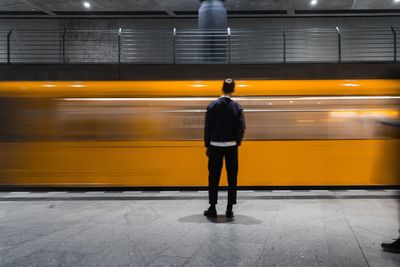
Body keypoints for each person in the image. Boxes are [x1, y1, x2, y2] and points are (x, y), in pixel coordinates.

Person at [203, 78, 246, 218]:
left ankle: (213, 208)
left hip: (215, 146)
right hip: (231, 147)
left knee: (213, 177)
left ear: (222, 88)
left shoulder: (212, 106)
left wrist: (208, 144)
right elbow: (241, 127)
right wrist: (237, 141)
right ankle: (229, 208)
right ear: (233, 90)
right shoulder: (237, 107)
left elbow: (207, 128)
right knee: (232, 177)